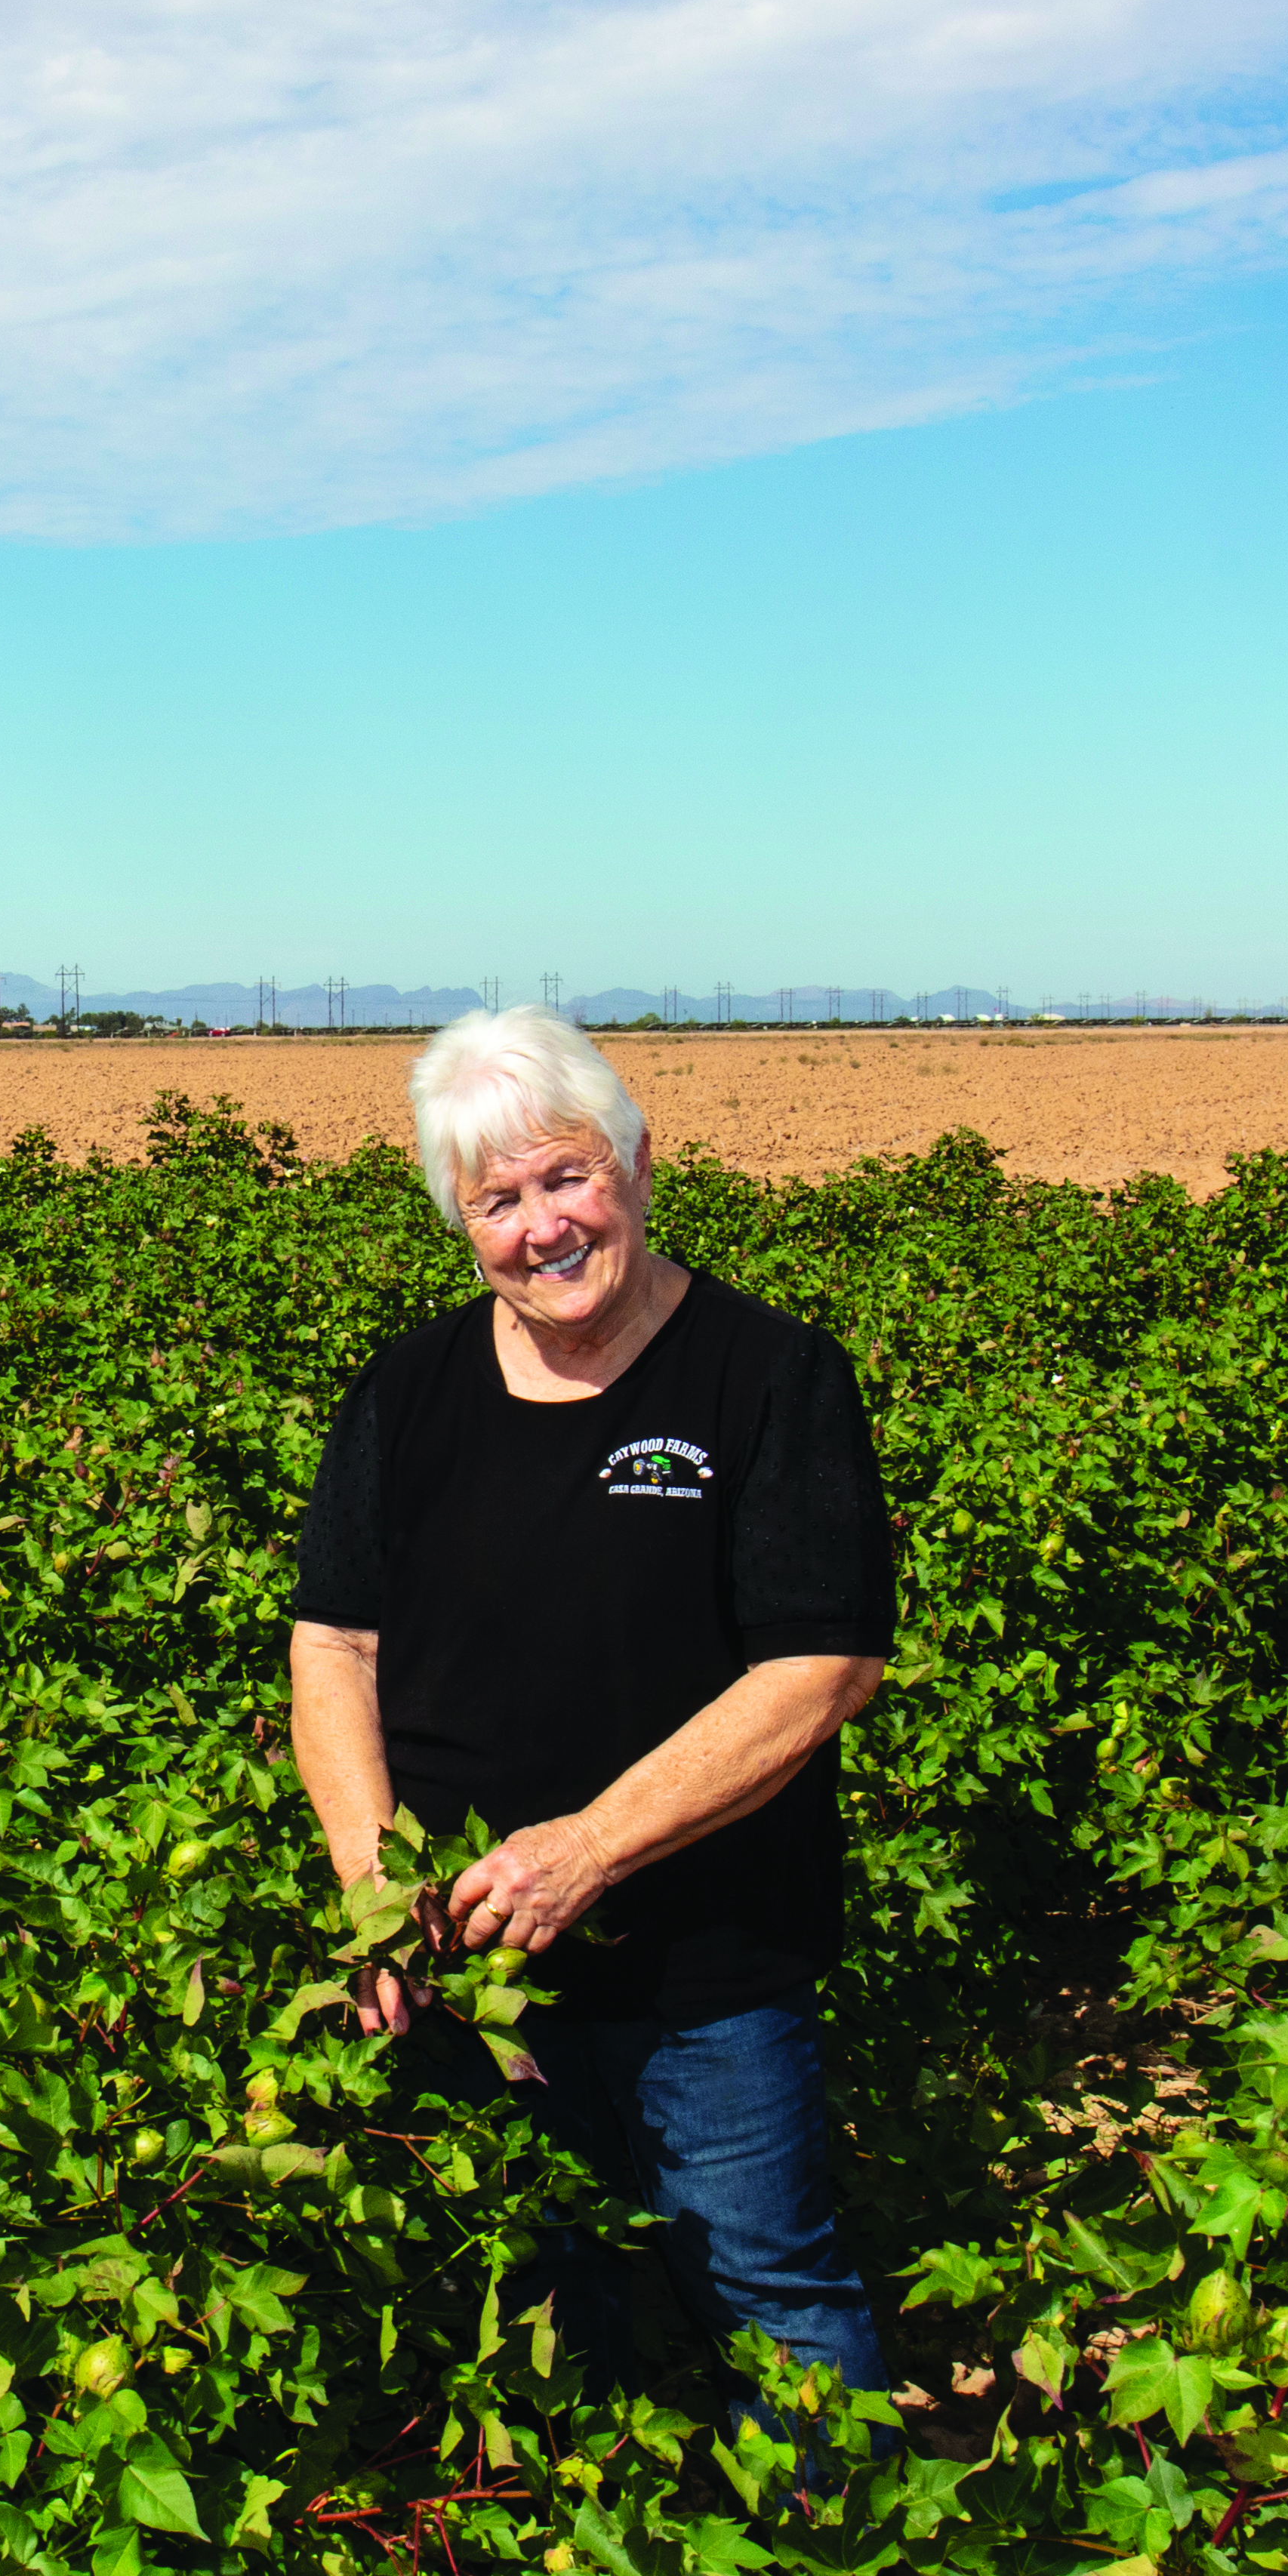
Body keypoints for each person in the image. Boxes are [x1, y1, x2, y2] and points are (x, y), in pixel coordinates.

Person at [285, 1009, 898, 2391]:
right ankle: (597, 2572)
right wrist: (378, 1884)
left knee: (766, 2284)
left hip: (707, 1972)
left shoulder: (768, 1376)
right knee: (532, 2291)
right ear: (458, 1219)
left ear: (634, 1159)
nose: (543, 1227)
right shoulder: (411, 1388)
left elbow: (823, 1666)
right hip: (468, 1970)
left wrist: (590, 1850)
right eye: (497, 1200)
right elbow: (336, 1646)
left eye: (566, 1177)